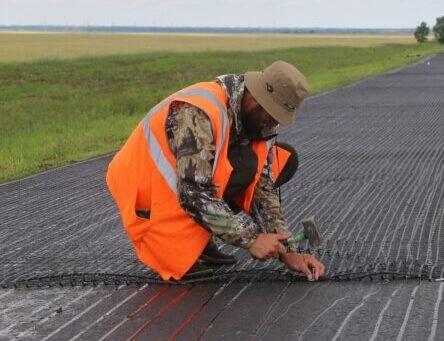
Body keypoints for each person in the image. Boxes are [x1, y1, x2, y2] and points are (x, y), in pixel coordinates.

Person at [106, 61, 325, 281]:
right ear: (256, 99)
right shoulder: (197, 112)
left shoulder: (257, 120)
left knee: (277, 160)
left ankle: (199, 238)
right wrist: (251, 238)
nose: (273, 124)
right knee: (244, 163)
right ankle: (179, 242)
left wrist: (289, 251)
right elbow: (193, 192)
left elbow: (262, 189)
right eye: (271, 116)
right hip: (146, 197)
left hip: (184, 187)